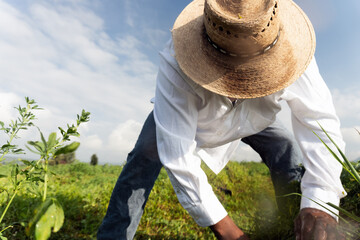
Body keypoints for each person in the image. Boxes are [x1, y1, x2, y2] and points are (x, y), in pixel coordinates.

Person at [97, 0, 347, 239]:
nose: (242, 80)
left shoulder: (294, 48)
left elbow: (319, 121)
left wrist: (320, 201)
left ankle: (295, 223)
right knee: (143, 157)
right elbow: (178, 157)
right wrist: (229, 232)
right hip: (196, 116)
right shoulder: (177, 60)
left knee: (284, 146)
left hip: (253, 114)